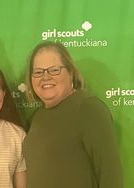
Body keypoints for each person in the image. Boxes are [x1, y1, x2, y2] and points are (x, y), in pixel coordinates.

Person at [23, 41, 123, 188]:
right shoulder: (36, 117)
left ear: (70, 72)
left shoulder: (88, 109)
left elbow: (110, 173)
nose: (45, 77)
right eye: (38, 72)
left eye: (54, 70)